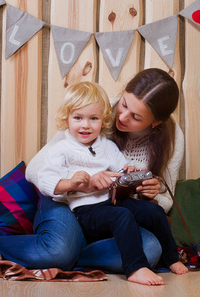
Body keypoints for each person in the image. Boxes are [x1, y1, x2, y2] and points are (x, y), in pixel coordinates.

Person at [0, 68, 185, 278]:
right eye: (123, 104)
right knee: (61, 249)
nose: (121, 117)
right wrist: (77, 183)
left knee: (150, 249)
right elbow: (37, 171)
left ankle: (72, 252)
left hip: (108, 206)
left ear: (155, 122)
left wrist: (147, 187)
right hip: (68, 200)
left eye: (135, 116)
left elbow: (141, 183)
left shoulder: (168, 138)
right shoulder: (92, 107)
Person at [37, 81, 186, 285]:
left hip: (112, 202)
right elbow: (46, 181)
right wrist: (72, 183)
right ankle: (135, 268)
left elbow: (121, 169)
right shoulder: (61, 149)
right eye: (78, 118)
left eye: (93, 119)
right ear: (66, 120)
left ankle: (171, 258)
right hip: (86, 210)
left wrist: (130, 172)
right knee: (122, 216)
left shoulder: (107, 146)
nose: (85, 125)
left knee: (154, 212)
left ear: (103, 121)